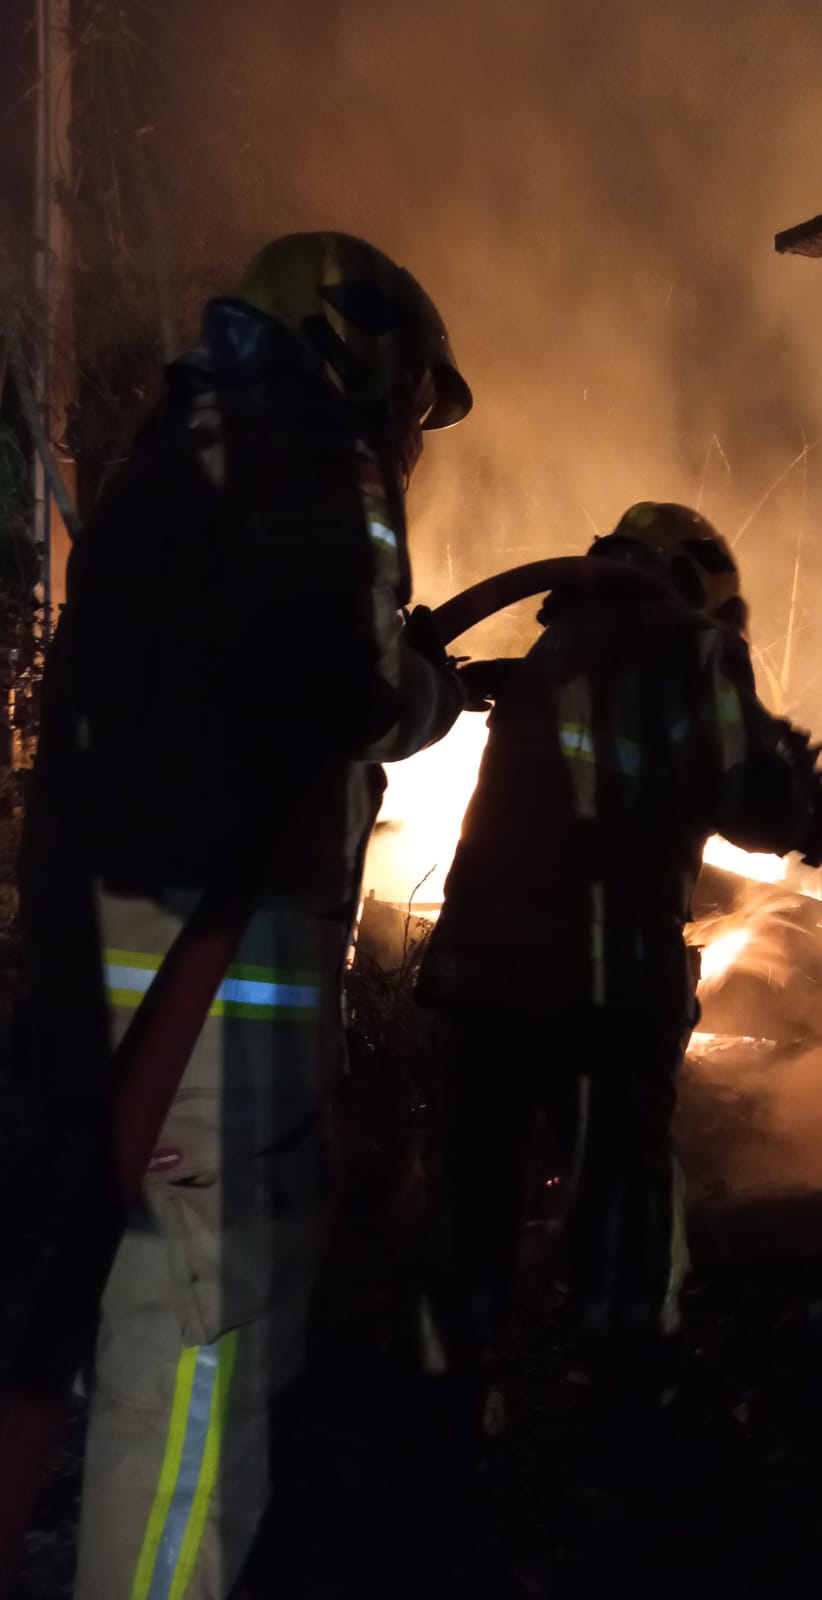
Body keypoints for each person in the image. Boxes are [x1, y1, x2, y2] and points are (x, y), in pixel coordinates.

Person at [17, 231, 472, 1599]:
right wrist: (428, 692)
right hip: (214, 1037)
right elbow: (342, 680)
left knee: (130, 1331)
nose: (411, 438)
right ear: (366, 364)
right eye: (410, 405)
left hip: (104, 1001)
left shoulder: (174, 459)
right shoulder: (322, 464)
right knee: (198, 1385)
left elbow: (247, 679)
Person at [416, 500, 822, 1425]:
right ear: (701, 583)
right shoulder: (692, 649)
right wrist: (807, 804)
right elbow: (757, 813)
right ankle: (631, 1413)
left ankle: (437, 1417)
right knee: (626, 1209)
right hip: (603, 991)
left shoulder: (551, 648)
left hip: (475, 982)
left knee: (468, 1209)